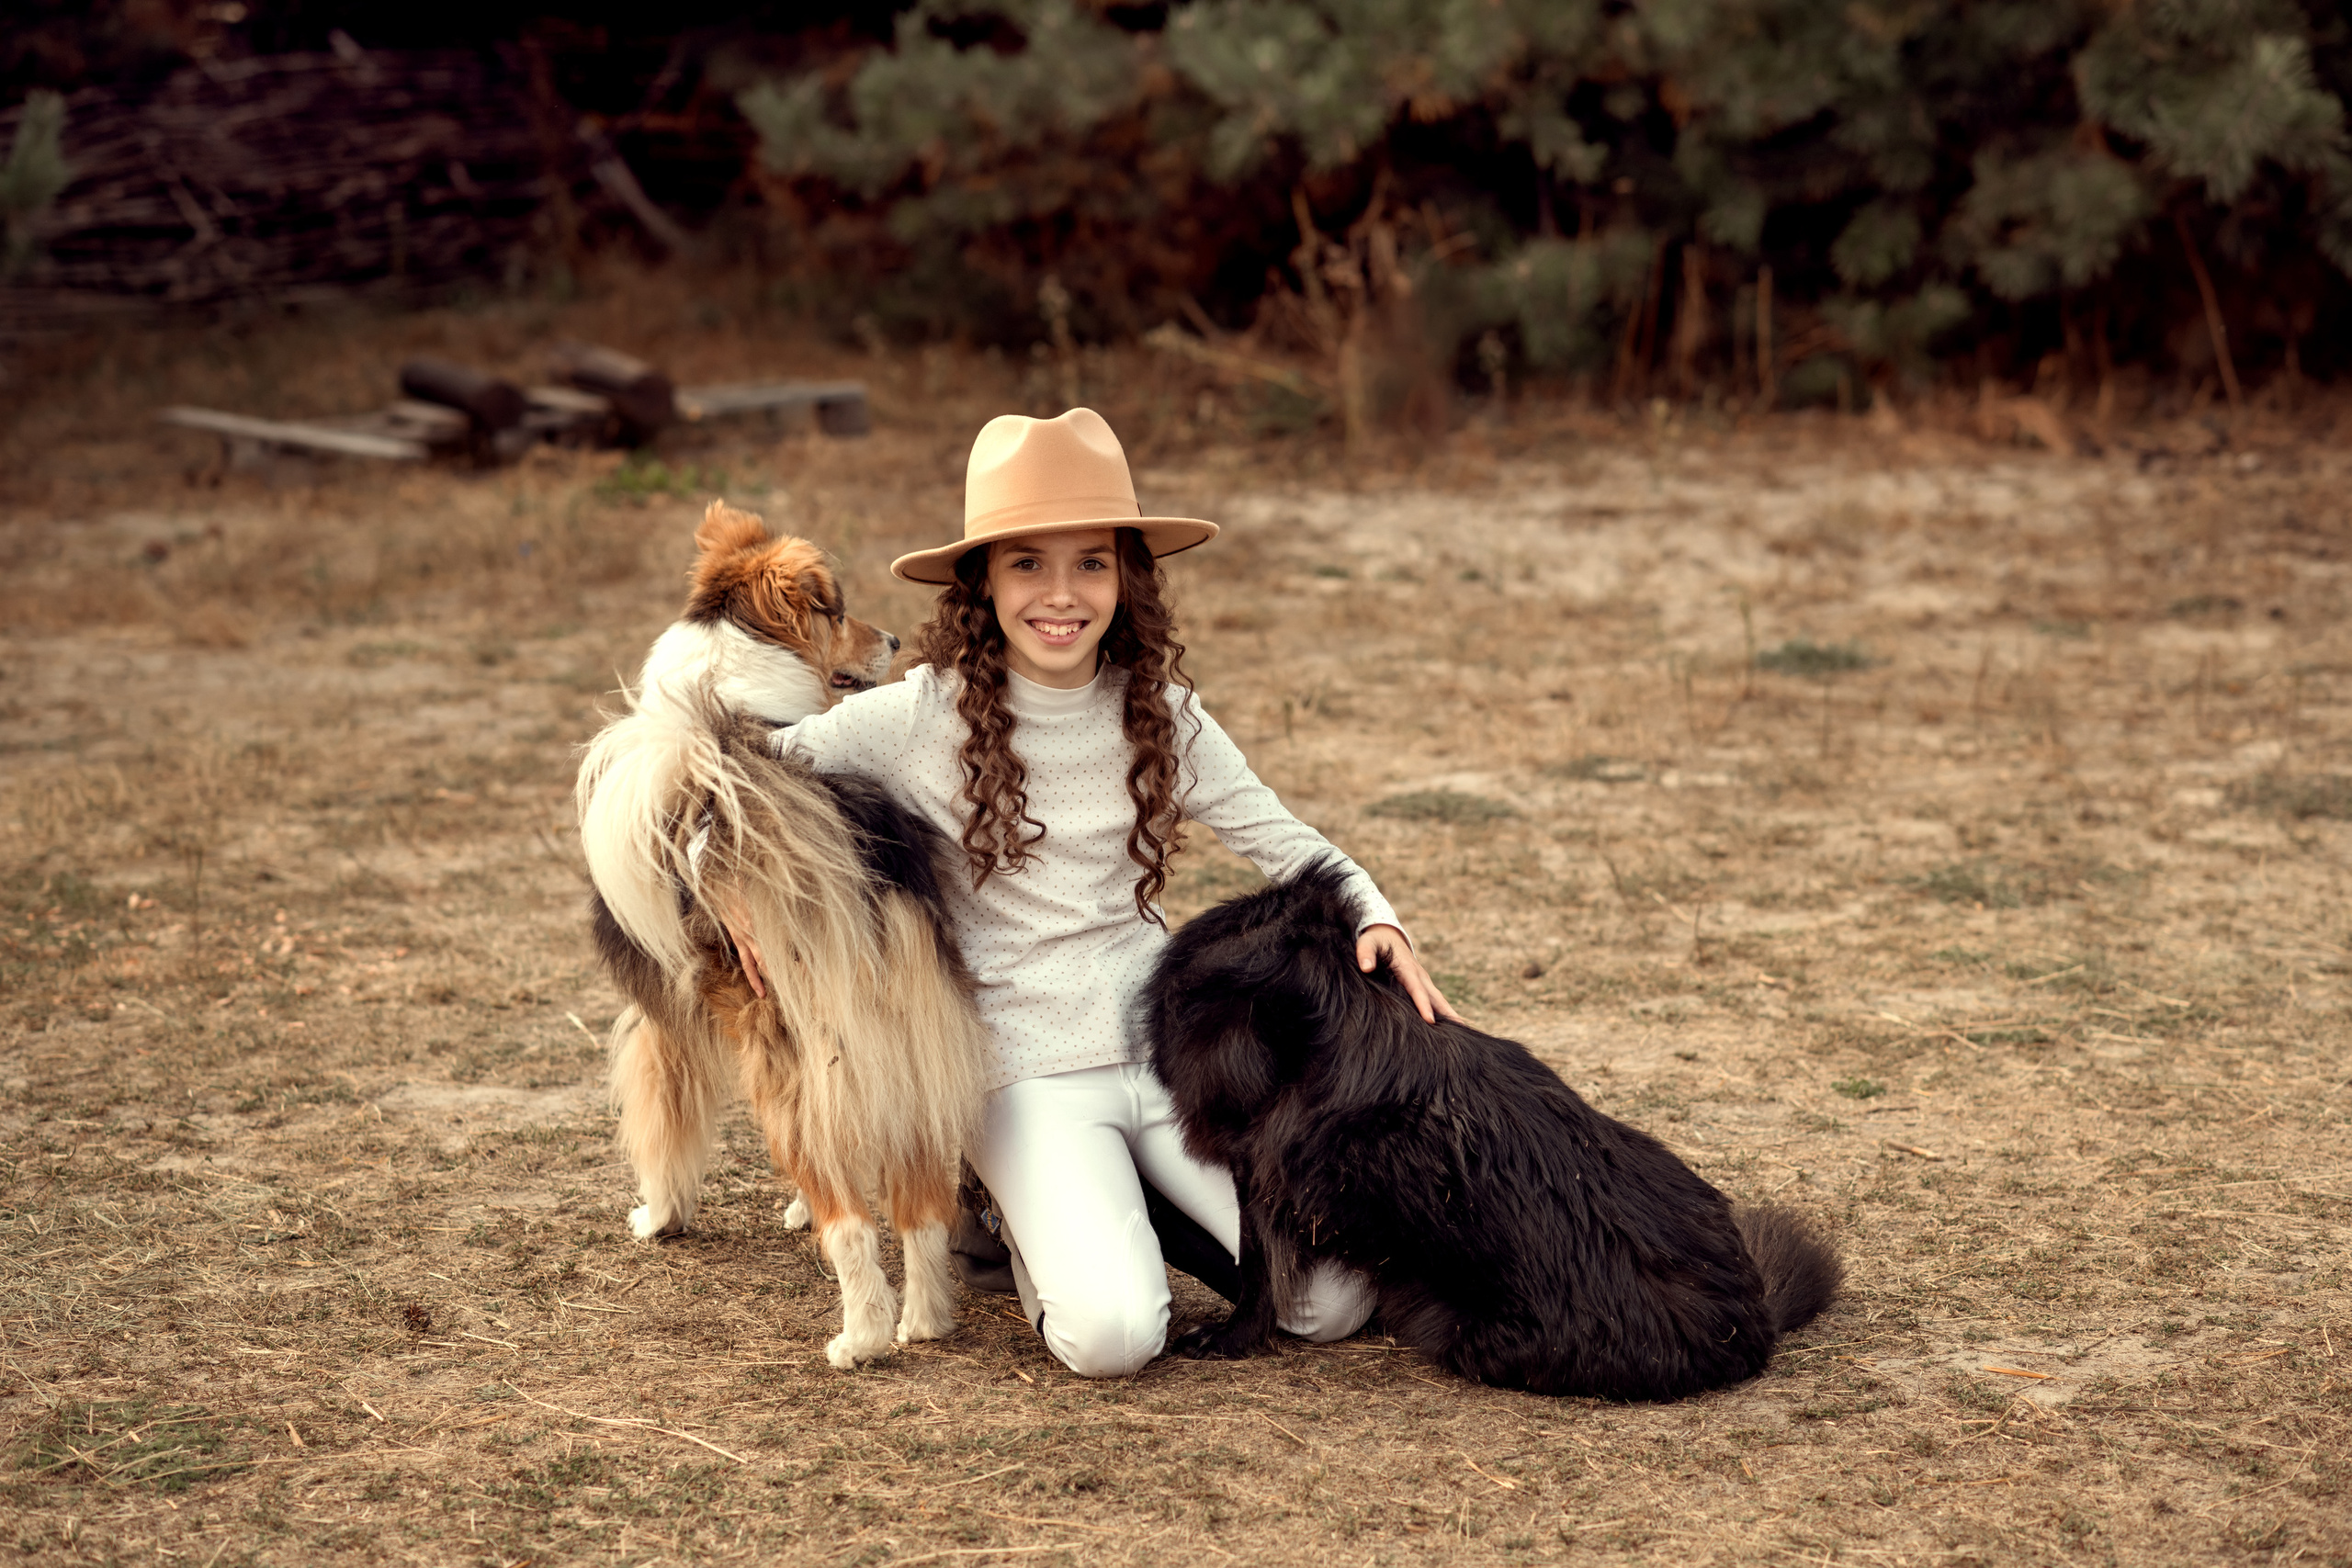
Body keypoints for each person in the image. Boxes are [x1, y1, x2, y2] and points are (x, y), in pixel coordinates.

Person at [728, 407, 1458, 1378]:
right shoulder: (911, 718)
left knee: (1329, 1305)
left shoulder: (1162, 716)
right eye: (1027, 564)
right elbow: (725, 785)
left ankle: (1125, 1198)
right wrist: (739, 908)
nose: (1061, 594)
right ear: (981, 583)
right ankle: (1011, 1220)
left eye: (1092, 563)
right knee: (1112, 1340)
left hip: (1168, 1047)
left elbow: (1288, 842)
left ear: (1128, 578)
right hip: (1016, 1063)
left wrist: (1376, 916)